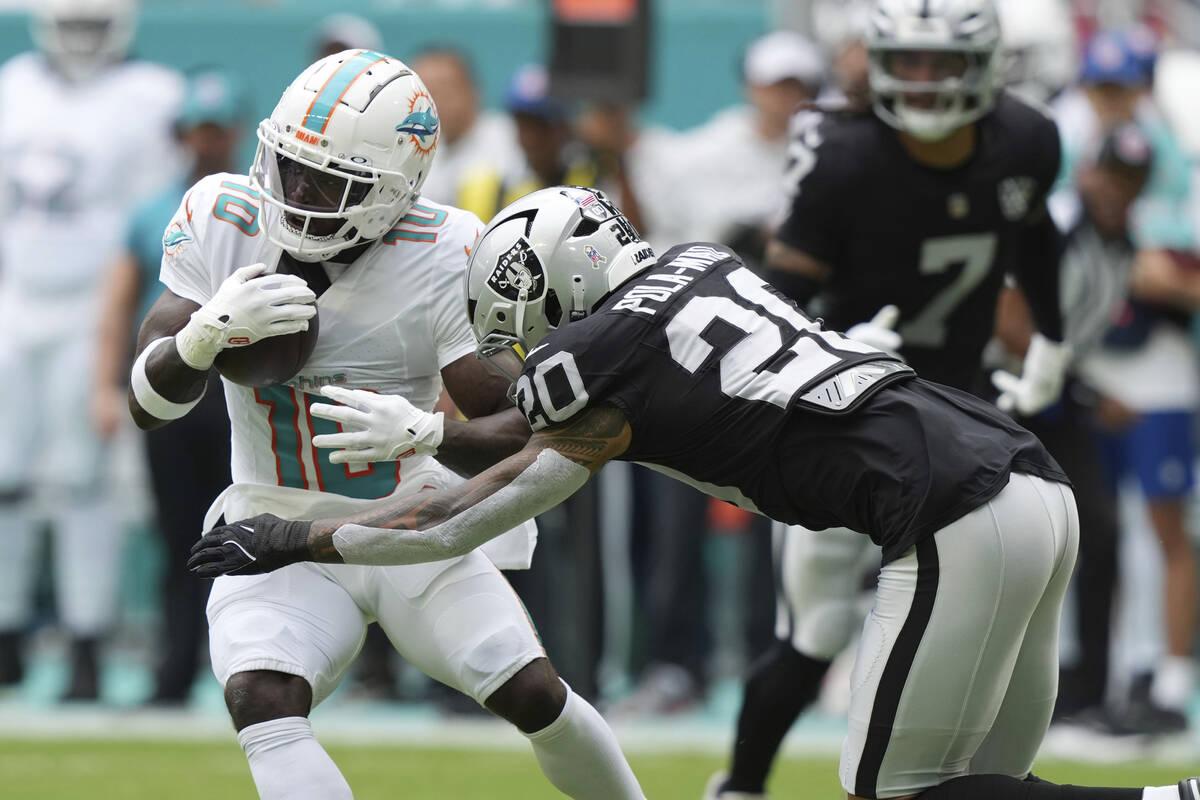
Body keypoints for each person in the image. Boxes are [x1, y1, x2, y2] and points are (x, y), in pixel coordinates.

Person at [190, 184, 1200, 800]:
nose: (527, 346)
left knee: (893, 789)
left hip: (950, 513)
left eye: (528, 321)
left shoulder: (598, 354)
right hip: (1028, 474)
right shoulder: (701, 263)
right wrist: (441, 432)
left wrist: (298, 537)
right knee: (988, 786)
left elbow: (467, 510)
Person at [128, 50, 644, 800]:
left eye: (326, 178)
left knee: (531, 692)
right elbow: (149, 404)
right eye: (289, 165)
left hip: (408, 520)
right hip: (276, 518)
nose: (298, 191)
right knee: (261, 696)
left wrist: (428, 431)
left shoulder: (444, 247)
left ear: (392, 190)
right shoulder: (222, 212)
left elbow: (518, 430)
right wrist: (200, 340)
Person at [717, 0, 1071, 796]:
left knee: (997, 644)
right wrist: (824, 350)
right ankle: (738, 786)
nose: (922, 79)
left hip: (959, 422)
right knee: (814, 632)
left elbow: (1034, 231)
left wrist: (1050, 336)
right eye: (906, 60)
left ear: (983, 66)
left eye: (941, 62)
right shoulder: (843, 154)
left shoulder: (1025, 138)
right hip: (843, 421)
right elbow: (774, 303)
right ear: (875, 60)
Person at [0, 0, 183, 700]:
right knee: (6, 477)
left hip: (88, 308)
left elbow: (147, 230)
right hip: (17, 299)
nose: (80, 37)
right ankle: (8, 633)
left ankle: (85, 641)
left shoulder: (148, 96)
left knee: (82, 481)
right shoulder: (13, 84)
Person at [92, 67, 245, 705]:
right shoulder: (157, 207)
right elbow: (122, 299)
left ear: (234, 132)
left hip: (237, 390)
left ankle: (244, 663)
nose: (205, 141)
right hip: (174, 385)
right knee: (178, 531)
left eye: (215, 129)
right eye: (196, 129)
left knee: (242, 522)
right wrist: (106, 382)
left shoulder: (256, 204)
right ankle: (176, 669)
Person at [411, 46, 522, 208]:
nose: (432, 102)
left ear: (472, 90)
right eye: (423, 92)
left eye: (442, 90)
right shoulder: (417, 154)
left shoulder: (511, 138)